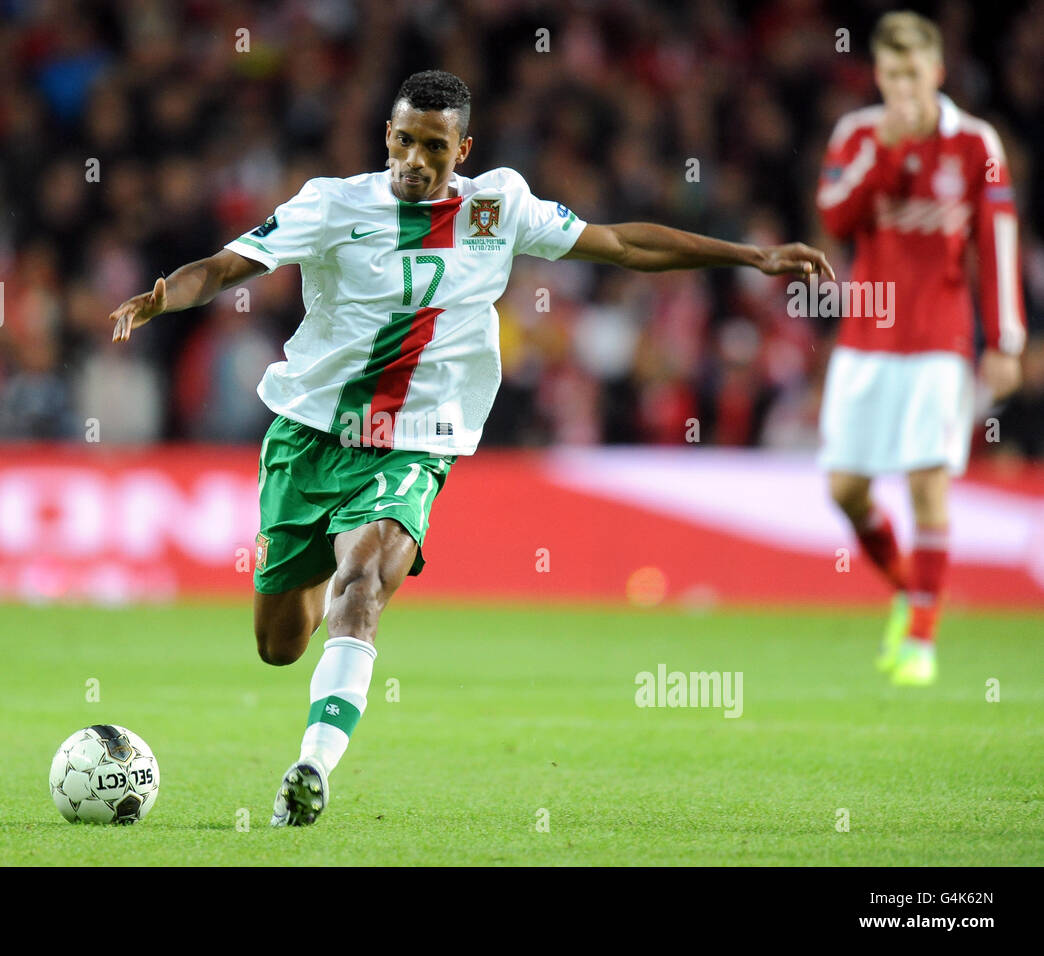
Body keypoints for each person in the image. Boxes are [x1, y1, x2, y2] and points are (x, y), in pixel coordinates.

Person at [110, 70, 833, 825]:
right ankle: (325, 569)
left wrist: (750, 256)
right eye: (404, 141)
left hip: (415, 442)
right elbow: (228, 266)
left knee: (366, 582)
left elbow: (621, 244)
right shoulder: (331, 203)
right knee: (279, 645)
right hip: (312, 434)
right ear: (386, 136)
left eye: (435, 146)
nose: (416, 160)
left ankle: (311, 767)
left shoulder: (499, 206)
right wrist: (167, 296)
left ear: (464, 149)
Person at [816, 11, 1025, 686]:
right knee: (845, 490)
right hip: (866, 338)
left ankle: (923, 644)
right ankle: (911, 590)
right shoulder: (855, 135)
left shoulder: (975, 142)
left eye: (915, 72)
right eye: (892, 72)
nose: (903, 85)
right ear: (878, 73)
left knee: (926, 483)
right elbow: (835, 219)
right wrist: (883, 151)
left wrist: (1006, 337)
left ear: (936, 72)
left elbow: (996, 240)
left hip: (940, 337)